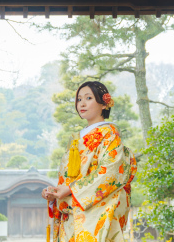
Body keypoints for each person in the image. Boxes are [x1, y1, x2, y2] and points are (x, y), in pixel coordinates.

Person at [42, 81, 137, 242]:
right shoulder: (77, 138)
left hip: (95, 211)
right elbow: (67, 177)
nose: (82, 104)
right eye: (79, 99)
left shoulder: (110, 134)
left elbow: (110, 173)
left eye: (88, 98)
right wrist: (56, 193)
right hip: (72, 210)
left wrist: (71, 189)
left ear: (103, 104)